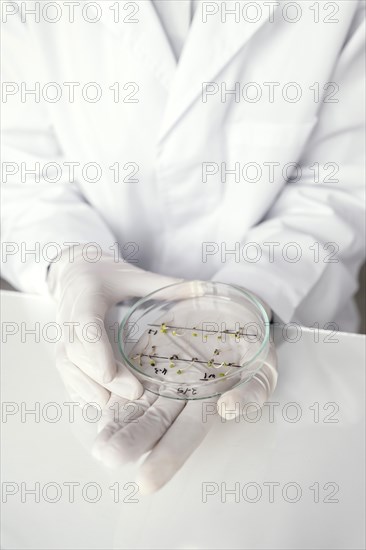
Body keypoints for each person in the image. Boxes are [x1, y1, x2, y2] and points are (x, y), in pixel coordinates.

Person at [1, 0, 365, 493]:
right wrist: (71, 261)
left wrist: (250, 295)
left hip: (296, 352)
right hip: (91, 358)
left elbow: (342, 184)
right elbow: (20, 170)